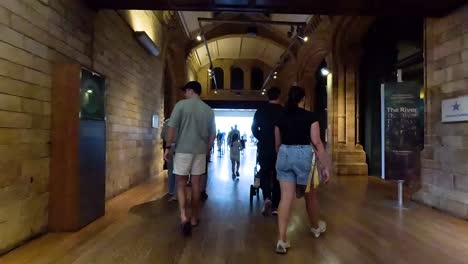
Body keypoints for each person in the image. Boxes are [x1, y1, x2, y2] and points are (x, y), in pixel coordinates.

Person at [274, 86, 330, 254]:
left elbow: (277, 143)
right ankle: (315, 226)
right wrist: (325, 165)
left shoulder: (280, 116)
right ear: (303, 99)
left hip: (284, 153)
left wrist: (285, 154)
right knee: (310, 195)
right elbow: (317, 142)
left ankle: (282, 239)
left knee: (285, 198)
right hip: (304, 154)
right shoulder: (310, 117)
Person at [164, 81, 216, 237]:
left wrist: (168, 147)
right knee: (196, 185)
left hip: (182, 151)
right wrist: (206, 150)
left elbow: (171, 128)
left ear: (191, 91)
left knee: (180, 183)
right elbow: (213, 134)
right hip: (199, 152)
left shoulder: (181, 105)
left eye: (186, 91)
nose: (184, 94)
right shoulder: (208, 110)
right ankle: (194, 218)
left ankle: (183, 216)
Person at [251, 87, 283, 216]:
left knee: (264, 171)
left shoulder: (261, 110)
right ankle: (276, 205)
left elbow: (253, 127)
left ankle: (266, 198)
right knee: (278, 175)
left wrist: (261, 137)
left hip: (264, 146)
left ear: (268, 96)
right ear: (279, 96)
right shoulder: (283, 111)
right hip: (280, 147)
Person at [161, 119, 177, 201]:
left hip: (169, 147)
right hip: (179, 147)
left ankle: (170, 191)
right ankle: (176, 193)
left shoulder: (167, 122)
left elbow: (162, 135)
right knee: (179, 172)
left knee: (170, 171)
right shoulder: (182, 121)